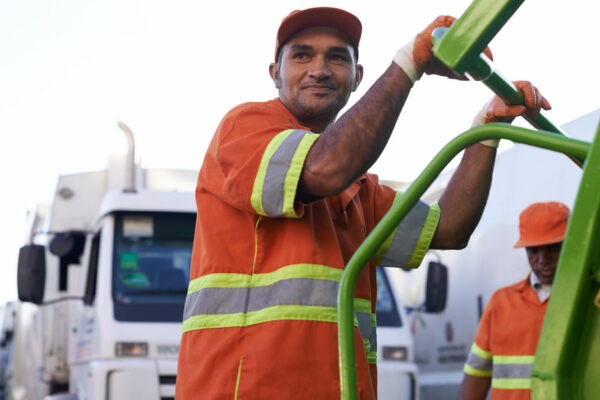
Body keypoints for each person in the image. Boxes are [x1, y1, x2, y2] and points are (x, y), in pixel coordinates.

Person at [176, 7, 550, 399]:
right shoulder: (244, 128)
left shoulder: (358, 190)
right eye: (302, 55)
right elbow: (325, 167)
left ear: (357, 77)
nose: (319, 69)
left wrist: (486, 129)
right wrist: (410, 63)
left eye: (337, 57)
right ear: (275, 74)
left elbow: (450, 227)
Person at [459, 201, 570, 400]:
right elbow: (477, 373)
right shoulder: (500, 304)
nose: (542, 259)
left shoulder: (589, 301)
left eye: (552, 248)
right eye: (533, 250)